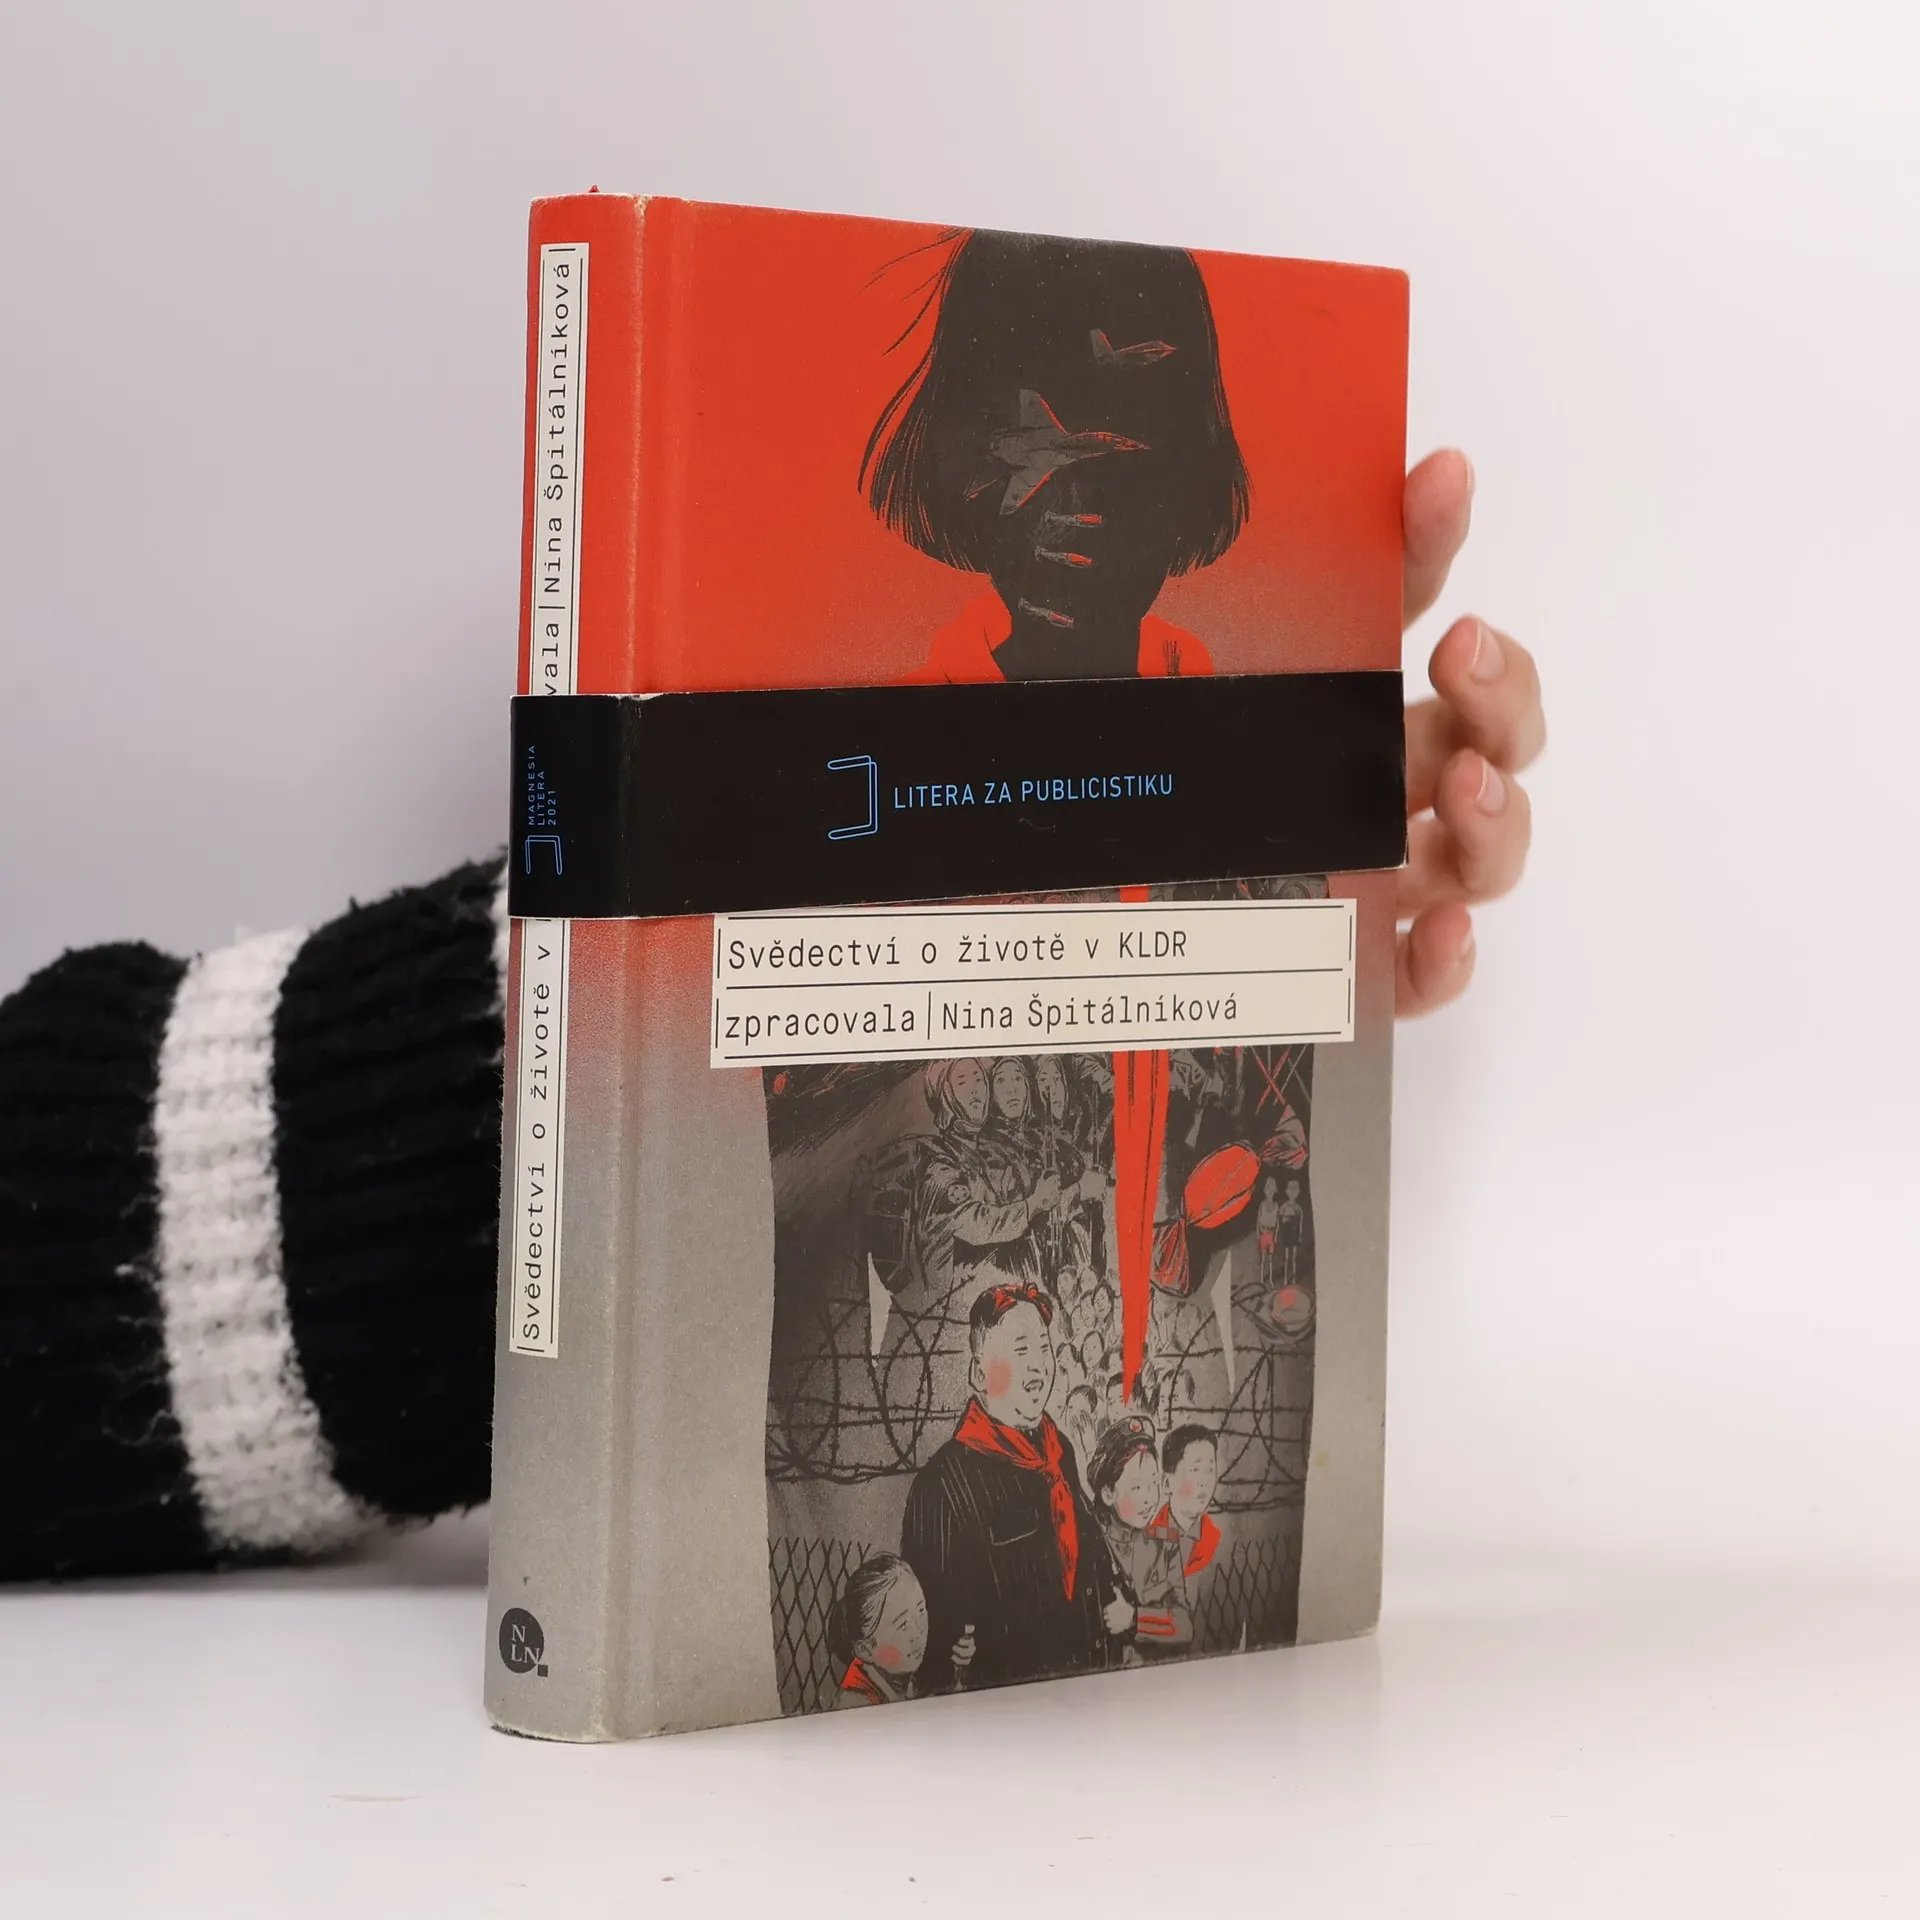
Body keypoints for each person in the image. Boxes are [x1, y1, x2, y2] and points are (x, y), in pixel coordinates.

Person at [901, 1260, 1130, 1694]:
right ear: (978, 1373)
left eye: (1044, 1349)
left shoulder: (1059, 1451)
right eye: (1020, 1351)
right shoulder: (942, 1484)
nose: (1038, 1366)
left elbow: (1091, 1556)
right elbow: (932, 1645)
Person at [1087, 1415, 1192, 1660]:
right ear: (1108, 1494)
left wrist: (1135, 1619)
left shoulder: (1165, 1544)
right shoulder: (1092, 1545)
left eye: (1153, 1484)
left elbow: (1184, 1627)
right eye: (1136, 1487)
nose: (1149, 1498)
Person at [826, 1553, 963, 1708]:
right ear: (866, 1649)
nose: (917, 1632)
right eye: (902, 1624)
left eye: (920, 1610)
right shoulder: (858, 1703)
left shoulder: (902, 1681)